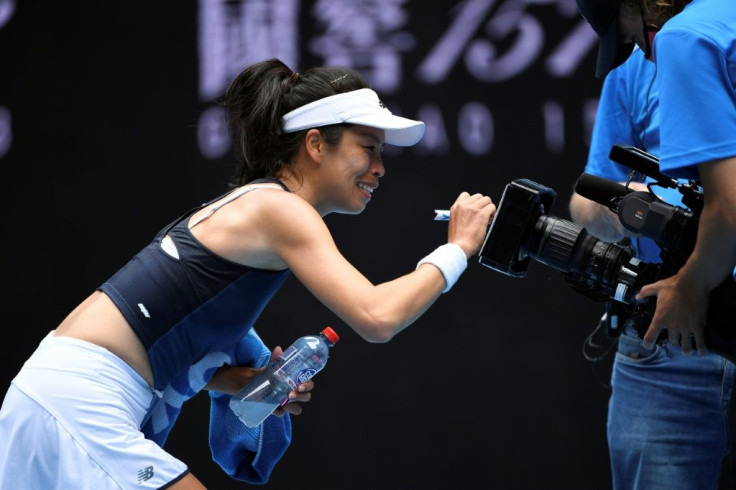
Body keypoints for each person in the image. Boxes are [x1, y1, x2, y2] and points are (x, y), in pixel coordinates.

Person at [0, 58, 496, 489]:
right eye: (369, 148)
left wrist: (242, 381)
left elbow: (160, 344)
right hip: (79, 404)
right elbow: (377, 316)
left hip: (52, 396)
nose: (380, 167)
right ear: (317, 144)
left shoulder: (262, 207)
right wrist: (457, 249)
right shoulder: (280, 210)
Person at [572, 0, 736, 487]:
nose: (631, 48)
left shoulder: (682, 38)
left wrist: (690, 285)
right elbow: (586, 201)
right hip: (665, 351)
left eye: (622, 28)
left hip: (683, 304)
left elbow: (728, 207)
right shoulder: (637, 66)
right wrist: (638, 208)